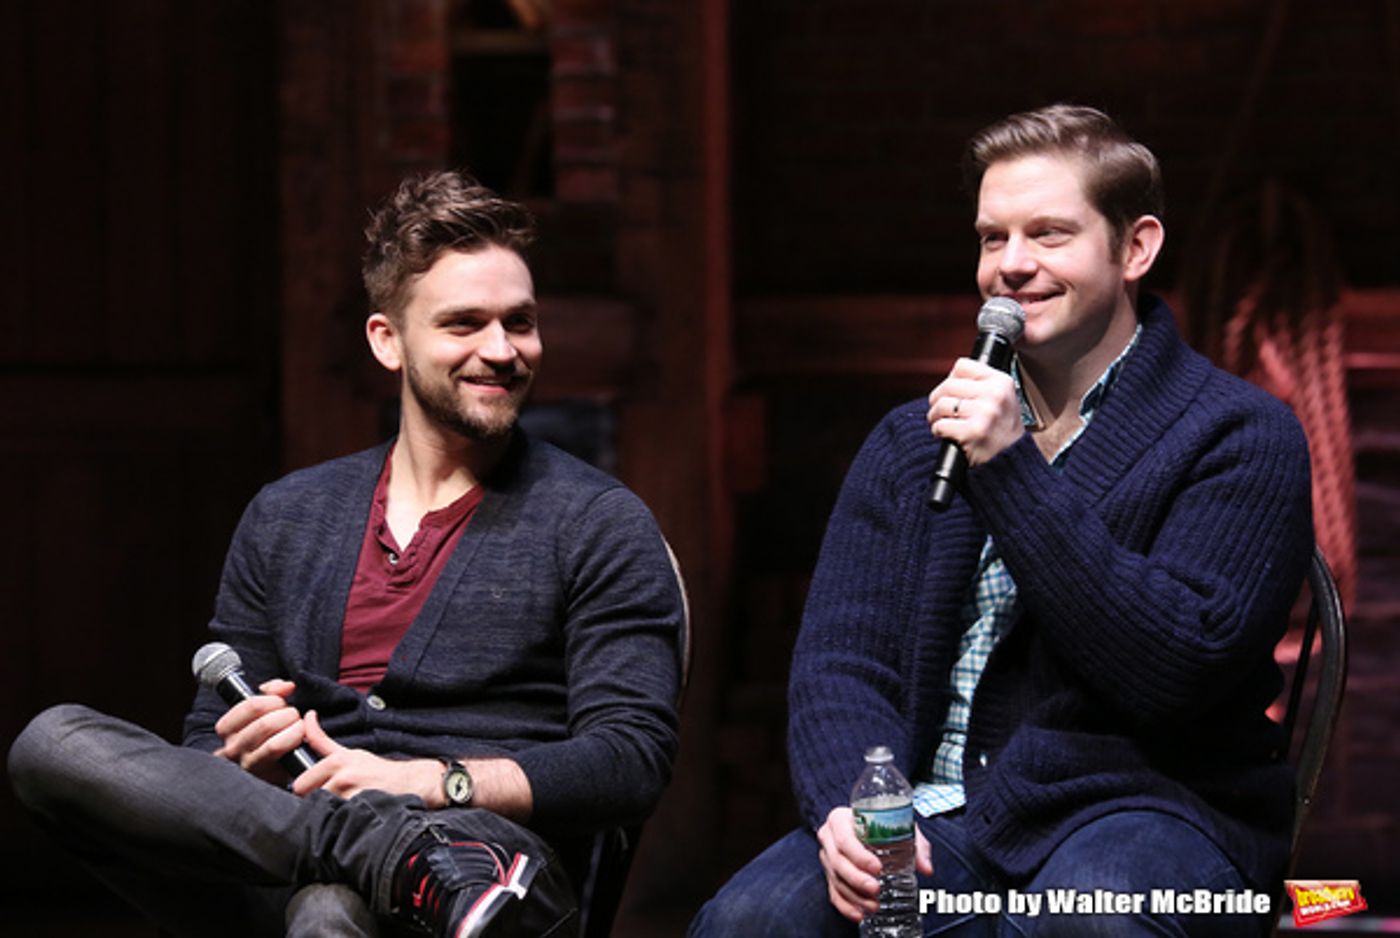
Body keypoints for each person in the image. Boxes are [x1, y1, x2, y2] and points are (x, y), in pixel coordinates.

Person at [8, 170, 684, 938]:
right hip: (289, 839)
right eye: (464, 324)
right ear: (387, 341)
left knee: (331, 913)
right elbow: (204, 747)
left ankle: (397, 860)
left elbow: (628, 759)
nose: (502, 350)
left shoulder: (597, 522)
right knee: (52, 745)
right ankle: (384, 854)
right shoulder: (288, 515)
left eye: (519, 322)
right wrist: (246, 757)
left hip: (489, 873)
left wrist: (431, 783)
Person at [690, 104, 1313, 937]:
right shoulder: (913, 441)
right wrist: (856, 806)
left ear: (1137, 248)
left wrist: (1012, 469)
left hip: (1149, 808)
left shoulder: (1239, 434)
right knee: (749, 922)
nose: (1011, 267)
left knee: (1090, 923)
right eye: (992, 238)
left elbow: (1176, 672)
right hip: (935, 810)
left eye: (1049, 235)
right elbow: (842, 660)